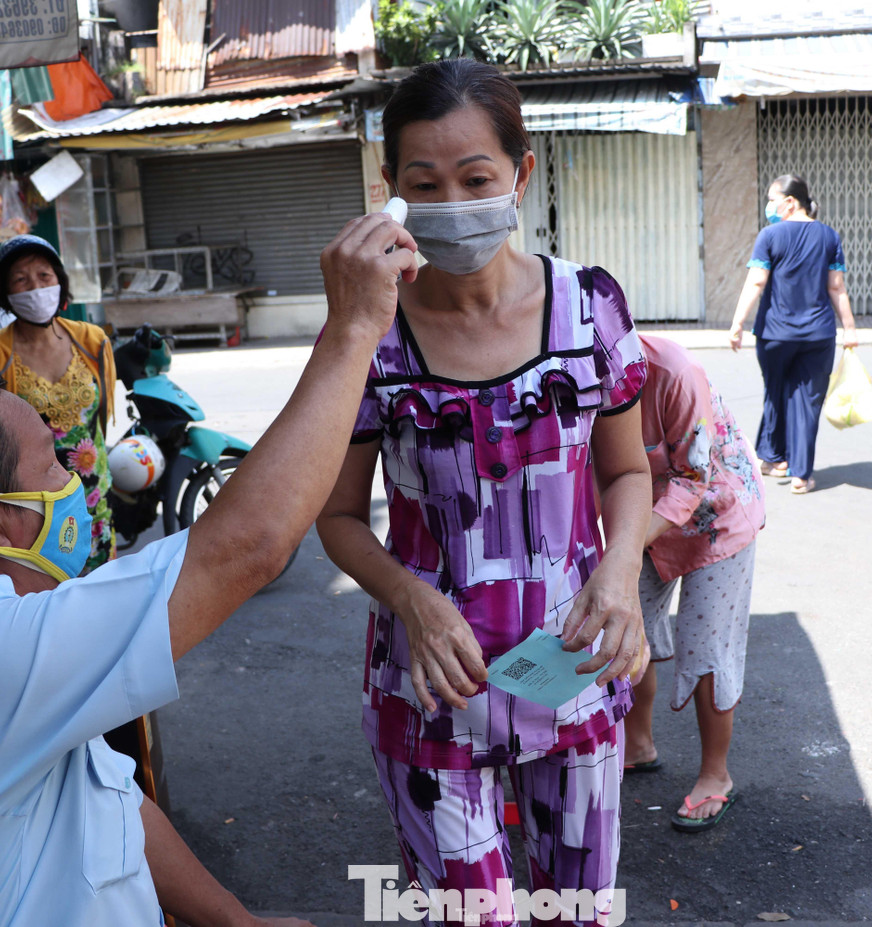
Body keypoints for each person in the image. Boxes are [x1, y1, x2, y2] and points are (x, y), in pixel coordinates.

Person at [0, 201, 418, 925]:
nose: (76, 474)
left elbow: (111, 799)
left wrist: (237, 922)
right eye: (53, 462)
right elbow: (248, 544)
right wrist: (353, 329)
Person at [315, 59, 652, 923]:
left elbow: (628, 470)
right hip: (430, 689)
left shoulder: (589, 308)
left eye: (476, 178)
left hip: (572, 670)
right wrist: (410, 600)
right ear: (389, 188)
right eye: (424, 182)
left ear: (522, 175)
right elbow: (340, 513)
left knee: (576, 909)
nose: (453, 200)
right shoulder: (368, 332)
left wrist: (619, 577)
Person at [620, 335, 766, 833]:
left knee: (705, 647)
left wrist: (623, 544)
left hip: (716, 515)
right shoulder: (571, 372)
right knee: (623, 623)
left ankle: (715, 776)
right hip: (640, 514)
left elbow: (692, 476)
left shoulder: (675, 372)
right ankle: (637, 745)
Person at [0, 235, 117, 571]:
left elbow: (102, 416)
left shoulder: (93, 341)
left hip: (94, 494)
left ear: (60, 282)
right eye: (21, 279)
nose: (35, 287)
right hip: (32, 504)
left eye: (44, 276)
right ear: (5, 292)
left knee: (102, 588)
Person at [728, 174, 857, 494]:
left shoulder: (770, 235)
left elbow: (756, 282)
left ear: (789, 202)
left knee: (775, 392)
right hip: (818, 335)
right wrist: (850, 329)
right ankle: (799, 474)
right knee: (807, 403)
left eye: (772, 200)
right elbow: (836, 286)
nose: (769, 206)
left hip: (775, 335)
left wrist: (737, 322)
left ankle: (774, 458)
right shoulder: (829, 236)